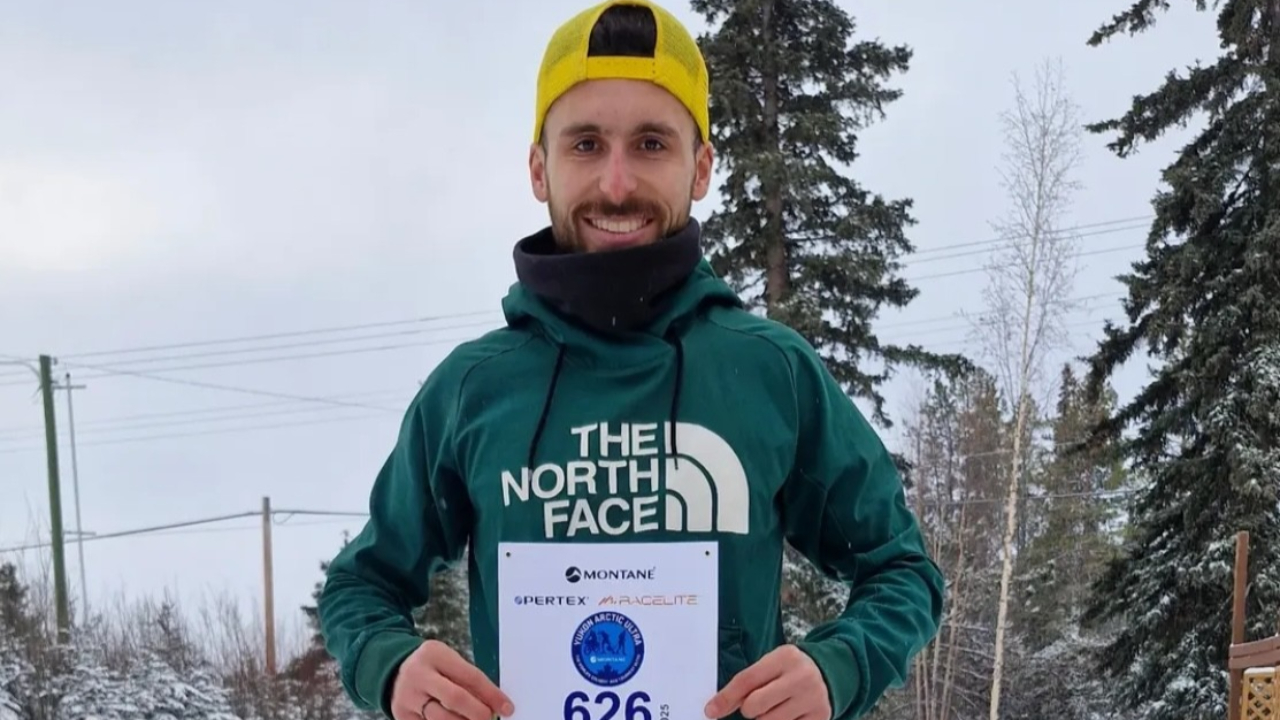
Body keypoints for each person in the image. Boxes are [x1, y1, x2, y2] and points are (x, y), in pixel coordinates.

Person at [316, 2, 945, 720]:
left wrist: (839, 666)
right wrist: (390, 667)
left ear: (701, 167)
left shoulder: (773, 374)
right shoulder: (473, 389)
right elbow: (360, 586)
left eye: (651, 144)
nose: (617, 184)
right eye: (585, 145)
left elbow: (902, 570)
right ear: (538, 168)